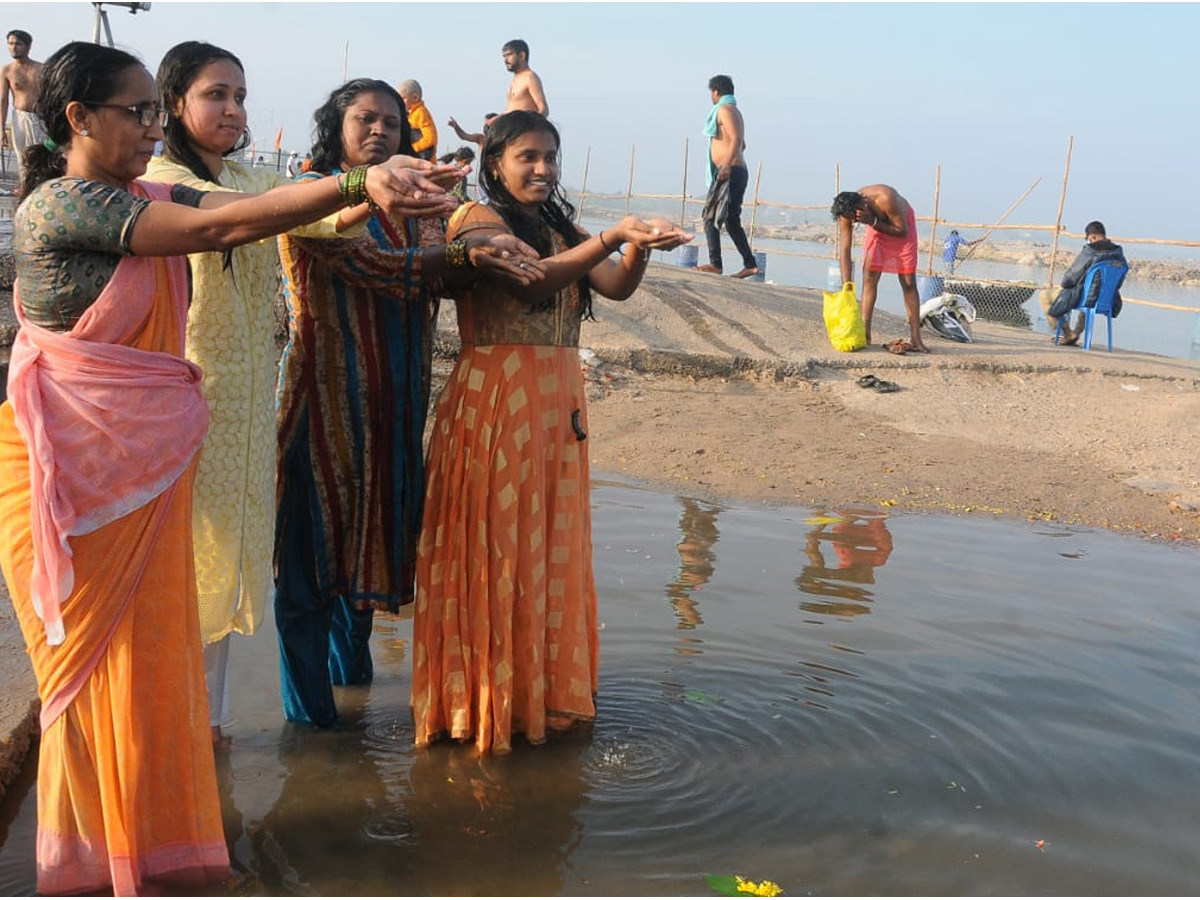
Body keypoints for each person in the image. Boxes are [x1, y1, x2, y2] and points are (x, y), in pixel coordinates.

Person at [0, 40, 443, 896]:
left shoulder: (142, 188)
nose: (149, 127)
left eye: (152, 114)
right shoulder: (62, 209)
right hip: (78, 483)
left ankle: (155, 854)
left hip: (144, 468)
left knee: (155, 661)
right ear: (78, 119)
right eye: (138, 112)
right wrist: (359, 182)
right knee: (98, 682)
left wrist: (376, 184)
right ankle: (93, 864)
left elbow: (246, 202)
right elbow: (218, 226)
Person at [147, 41, 410, 749]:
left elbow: (312, 219)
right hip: (183, 396)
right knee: (179, 566)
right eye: (215, 95)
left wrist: (383, 190)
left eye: (239, 96)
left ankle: (210, 731)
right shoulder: (158, 180)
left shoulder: (243, 171)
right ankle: (171, 731)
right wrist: (359, 186)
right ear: (174, 103)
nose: (233, 109)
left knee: (227, 559)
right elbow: (240, 216)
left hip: (246, 404)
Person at [411, 110, 691, 754]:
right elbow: (534, 285)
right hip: (499, 399)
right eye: (528, 158)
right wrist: (611, 234)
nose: (542, 169)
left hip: (556, 404)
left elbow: (613, 288)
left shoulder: (558, 224)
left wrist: (636, 247)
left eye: (551, 158)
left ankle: (536, 693)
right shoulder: (476, 223)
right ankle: (479, 703)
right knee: (499, 554)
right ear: (496, 163)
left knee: (544, 553)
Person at [273, 79, 541, 729]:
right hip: (326, 404)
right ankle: (311, 726)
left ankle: (353, 689)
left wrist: (487, 240)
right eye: (364, 120)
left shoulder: (419, 202)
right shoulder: (312, 194)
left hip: (397, 403)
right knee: (311, 569)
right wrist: (464, 251)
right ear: (335, 126)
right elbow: (374, 268)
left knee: (366, 552)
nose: (379, 132)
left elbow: (443, 274)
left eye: (391, 123)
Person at [832, 185, 929, 352]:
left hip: (901, 229)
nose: (853, 222)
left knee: (908, 282)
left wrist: (873, 221)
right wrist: (846, 284)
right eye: (851, 220)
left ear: (861, 206)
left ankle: (916, 339)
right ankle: (865, 333)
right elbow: (845, 249)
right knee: (869, 276)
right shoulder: (846, 210)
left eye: (855, 219)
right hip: (876, 229)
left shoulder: (885, 198)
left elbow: (902, 231)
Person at [695, 74, 758, 279]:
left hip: (730, 171)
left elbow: (738, 139)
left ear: (716, 91)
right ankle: (750, 265)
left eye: (710, 93)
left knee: (710, 216)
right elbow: (742, 143)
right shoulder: (734, 111)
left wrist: (727, 164)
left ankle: (716, 264)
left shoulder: (724, 110)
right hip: (737, 170)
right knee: (731, 220)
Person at [1044, 220, 1128, 346]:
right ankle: (1076, 333)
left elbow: (1069, 278)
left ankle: (1067, 333)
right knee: (1090, 295)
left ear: (1092, 236)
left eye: (1087, 238)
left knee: (1045, 296)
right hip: (1107, 300)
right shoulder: (1119, 255)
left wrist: (1067, 283)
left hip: (1085, 298)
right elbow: (1119, 283)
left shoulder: (1090, 251)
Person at [0, 29, 45, 178]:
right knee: (23, 161)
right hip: (20, 119)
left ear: (27, 46)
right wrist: (1, 129)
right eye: (10, 43)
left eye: (18, 44)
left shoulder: (42, 69)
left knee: (40, 160)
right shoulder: (7, 70)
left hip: (40, 120)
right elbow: (3, 101)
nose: (13, 47)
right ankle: (25, 195)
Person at [502, 39, 548, 114]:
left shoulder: (530, 77)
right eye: (504, 56)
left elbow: (543, 108)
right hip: (510, 124)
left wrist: (532, 123)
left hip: (523, 124)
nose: (505, 60)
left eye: (509, 55)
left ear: (522, 55)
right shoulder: (516, 78)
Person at [398, 78, 437, 161]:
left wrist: (410, 150)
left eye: (403, 99)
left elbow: (430, 139)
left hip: (425, 164)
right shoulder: (410, 115)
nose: (400, 102)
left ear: (415, 97)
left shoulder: (421, 113)